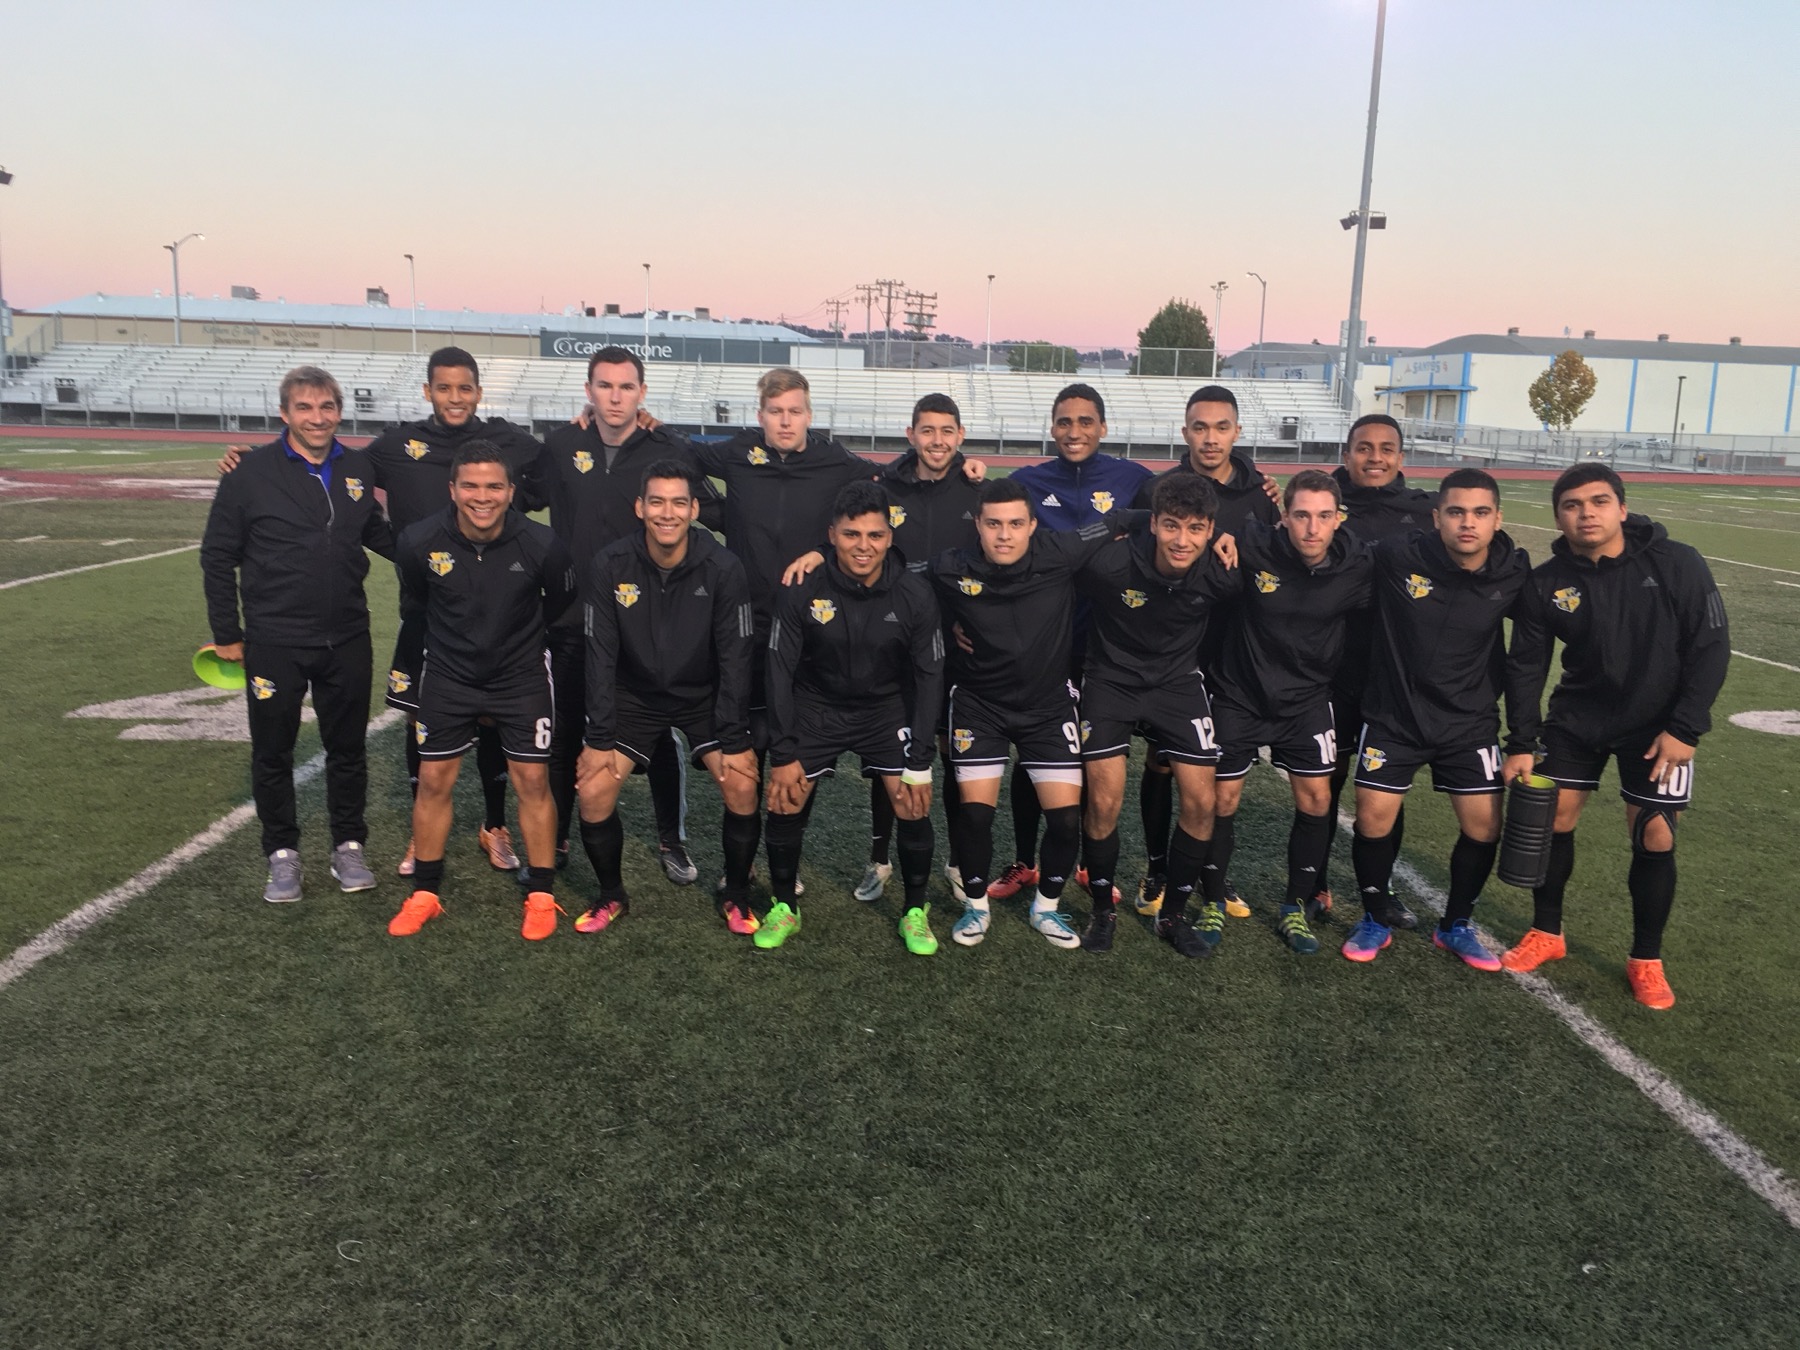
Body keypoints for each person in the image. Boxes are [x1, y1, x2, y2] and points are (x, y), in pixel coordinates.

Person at [220, 346, 545, 877]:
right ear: (428, 392)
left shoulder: (509, 442)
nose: (455, 398)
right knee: (424, 716)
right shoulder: (396, 446)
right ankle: (424, 837)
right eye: (444, 388)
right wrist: (254, 456)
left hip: (500, 607)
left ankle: (494, 825)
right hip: (427, 610)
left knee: (494, 722)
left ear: (479, 392)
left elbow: (557, 470)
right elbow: (323, 457)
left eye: (465, 388)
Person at [1500, 464, 1729, 1009]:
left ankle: (1645, 958)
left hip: (1659, 728)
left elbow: (1711, 647)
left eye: (1599, 502)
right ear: (1559, 516)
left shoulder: (1678, 563)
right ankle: (1547, 932)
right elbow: (1527, 666)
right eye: (1573, 505)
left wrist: (1685, 728)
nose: (1587, 514)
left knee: (1655, 834)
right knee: (1552, 818)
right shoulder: (1548, 581)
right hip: (1579, 720)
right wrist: (1520, 740)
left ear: (1622, 508)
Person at [199, 365, 394, 903]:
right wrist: (227, 633)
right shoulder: (248, 472)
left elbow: (374, 532)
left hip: (347, 637)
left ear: (339, 411)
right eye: (305, 408)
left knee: (347, 750)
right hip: (274, 640)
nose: (317, 418)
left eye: (327, 407)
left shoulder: (356, 465)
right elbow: (218, 556)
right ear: (284, 414)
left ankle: (348, 846)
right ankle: (281, 855)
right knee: (273, 752)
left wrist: (437, 557)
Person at [537, 346, 718, 884]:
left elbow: (717, 509)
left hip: (646, 622)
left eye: (625, 386)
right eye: (605, 386)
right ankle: (560, 834)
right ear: (588, 391)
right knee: (568, 731)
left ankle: (671, 840)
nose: (615, 396)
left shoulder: (667, 447)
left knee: (656, 732)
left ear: (642, 393)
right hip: (571, 617)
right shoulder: (561, 444)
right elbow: (512, 497)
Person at [385, 444, 577, 940]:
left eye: (494, 486)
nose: (482, 496)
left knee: (533, 784)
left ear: (512, 492)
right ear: (452, 489)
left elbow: (559, 608)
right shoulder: (418, 541)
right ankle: (425, 893)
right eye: (470, 485)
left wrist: (518, 653)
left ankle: (540, 893)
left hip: (521, 679)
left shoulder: (543, 544)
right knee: (433, 781)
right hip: (449, 678)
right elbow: (417, 606)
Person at [1345, 468, 1534, 969]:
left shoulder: (1514, 573)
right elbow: (1332, 544)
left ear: (1497, 519)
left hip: (1467, 722)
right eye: (1455, 512)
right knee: (1371, 817)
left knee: (1483, 828)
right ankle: (1373, 917)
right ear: (1437, 518)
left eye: (1479, 513)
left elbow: (1531, 655)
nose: (1466, 523)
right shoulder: (1399, 556)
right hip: (1394, 717)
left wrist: (1523, 739)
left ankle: (1455, 925)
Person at [930, 479, 1118, 949]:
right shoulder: (951, 566)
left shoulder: (1061, 551)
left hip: (1048, 706)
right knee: (974, 817)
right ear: (978, 525)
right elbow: (898, 579)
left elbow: (1119, 521)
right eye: (993, 524)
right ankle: (976, 907)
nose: (1004, 535)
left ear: (1034, 526)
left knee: (1066, 821)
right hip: (978, 705)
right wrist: (945, 622)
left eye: (1016, 524)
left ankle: (1046, 909)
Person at [759, 481, 946, 953]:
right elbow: (778, 669)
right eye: (851, 535)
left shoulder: (915, 594)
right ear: (832, 535)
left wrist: (920, 762)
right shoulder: (802, 586)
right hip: (818, 705)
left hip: (886, 709)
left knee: (910, 800)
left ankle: (915, 912)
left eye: (875, 536)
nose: (864, 547)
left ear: (890, 537)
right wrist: (782, 751)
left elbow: (929, 678)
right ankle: (785, 907)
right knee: (784, 797)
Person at [575, 462, 762, 935]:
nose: (667, 512)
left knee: (741, 784)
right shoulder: (610, 564)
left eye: (679, 502)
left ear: (694, 508)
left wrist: (735, 736)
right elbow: (599, 653)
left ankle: (736, 894)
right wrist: (598, 736)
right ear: (640, 507)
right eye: (656, 501)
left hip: (703, 695)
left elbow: (736, 657)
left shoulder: (722, 566)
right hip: (635, 697)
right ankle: (610, 895)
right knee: (594, 791)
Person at [989, 383, 1152, 902]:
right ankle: (1023, 861)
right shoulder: (1026, 482)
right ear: (1052, 427)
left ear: (1103, 427)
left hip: (1110, 646)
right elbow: (986, 524)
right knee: (1033, 754)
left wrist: (1257, 487)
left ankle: (1084, 857)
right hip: (1044, 643)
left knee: (1093, 757)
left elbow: (1182, 511)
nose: (1074, 431)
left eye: (1085, 421)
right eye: (1064, 422)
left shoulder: (1135, 479)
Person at [1207, 469, 1372, 954]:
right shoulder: (1253, 545)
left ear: (1339, 519)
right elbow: (1178, 517)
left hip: (1305, 701)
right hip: (1240, 694)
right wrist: (1218, 535)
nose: (1312, 528)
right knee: (1222, 801)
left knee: (1318, 801)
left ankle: (1294, 906)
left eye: (1324, 516)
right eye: (1301, 515)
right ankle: (1213, 898)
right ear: (1283, 517)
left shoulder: (1357, 565)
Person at [1130, 386, 1279, 919]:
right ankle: (1157, 868)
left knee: (1216, 770)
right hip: (1171, 650)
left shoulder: (1261, 495)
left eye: (1221, 427)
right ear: (1184, 430)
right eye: (1199, 427)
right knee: (1163, 760)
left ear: (1237, 431)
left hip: (1236, 649)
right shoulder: (1158, 489)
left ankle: (1213, 873)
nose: (1210, 437)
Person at [1072, 473, 1236, 958]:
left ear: (1210, 530)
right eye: (1170, 526)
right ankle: (1103, 910)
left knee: (1202, 804)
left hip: (1178, 685)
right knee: (1104, 801)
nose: (1181, 540)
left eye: (1195, 529)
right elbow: (1053, 572)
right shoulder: (1110, 563)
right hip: (1110, 681)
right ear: (1155, 524)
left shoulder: (1221, 572)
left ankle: (1173, 916)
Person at [859, 393, 982, 906]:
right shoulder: (883, 489)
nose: (937, 440)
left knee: (956, 755)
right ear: (911, 435)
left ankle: (955, 862)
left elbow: (991, 566)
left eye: (946, 430)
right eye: (926, 430)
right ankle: (880, 858)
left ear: (960, 436)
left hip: (959, 648)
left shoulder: (980, 492)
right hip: (896, 642)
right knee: (895, 751)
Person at [1314, 413, 1436, 919]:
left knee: (1386, 786)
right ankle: (1314, 883)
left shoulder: (1425, 512)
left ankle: (1380, 889)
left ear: (1401, 458)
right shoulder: (1323, 504)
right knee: (1326, 779)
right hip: (1331, 667)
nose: (1375, 458)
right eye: (1364, 448)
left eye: (1387, 449)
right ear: (1347, 455)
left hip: (1394, 674)